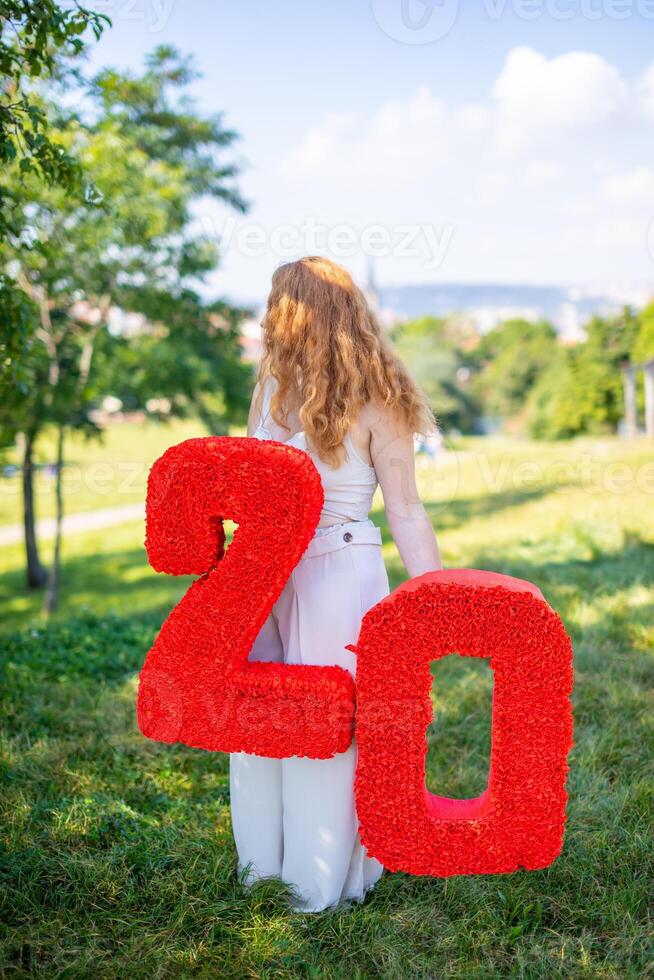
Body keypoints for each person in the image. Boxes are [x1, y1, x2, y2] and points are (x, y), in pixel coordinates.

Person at [229, 256, 442, 912]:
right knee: (258, 722)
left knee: (328, 730)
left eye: (279, 304)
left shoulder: (383, 396)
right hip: (266, 575)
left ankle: (319, 886)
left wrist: (435, 606)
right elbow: (245, 480)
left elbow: (405, 509)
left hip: (338, 573)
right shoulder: (268, 385)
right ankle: (263, 870)